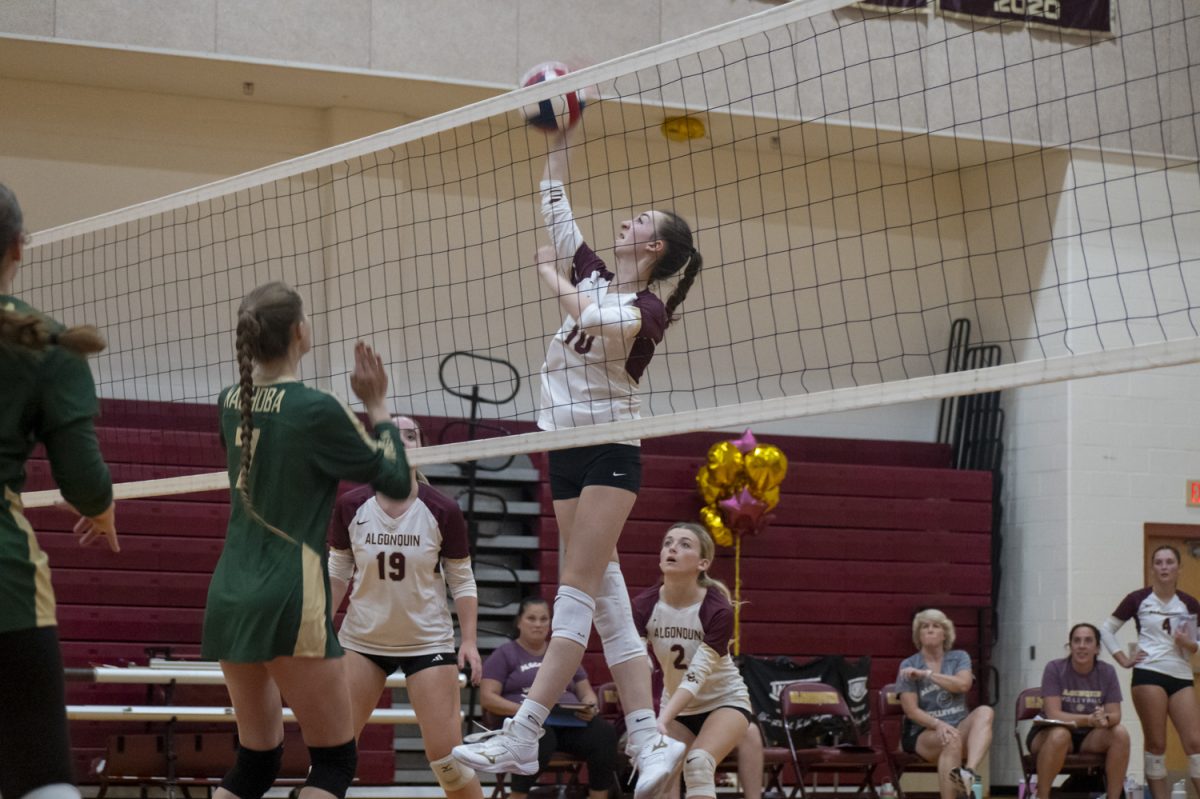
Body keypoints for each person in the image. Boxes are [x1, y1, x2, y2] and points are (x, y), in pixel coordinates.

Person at [453, 121, 703, 799]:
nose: (625, 220)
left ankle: (524, 731)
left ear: (654, 247)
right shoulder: (596, 272)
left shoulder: (645, 307)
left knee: (574, 591)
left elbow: (590, 317)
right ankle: (648, 735)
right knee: (607, 597)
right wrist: (561, 132)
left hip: (609, 450)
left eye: (639, 220)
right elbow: (554, 199)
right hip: (560, 445)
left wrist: (544, 272)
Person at [201, 281, 412, 799]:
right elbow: (398, 482)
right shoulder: (317, 410)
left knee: (256, 762)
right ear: (300, 332)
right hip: (288, 595)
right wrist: (378, 404)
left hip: (229, 593)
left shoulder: (232, 402)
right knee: (334, 764)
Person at [0, 183, 120, 799]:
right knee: (42, 779)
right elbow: (83, 479)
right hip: (4, 582)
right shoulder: (45, 344)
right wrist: (101, 512)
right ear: (19, 245)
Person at [326, 414, 484, 799]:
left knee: (448, 759)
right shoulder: (351, 504)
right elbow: (338, 568)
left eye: (410, 435)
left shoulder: (442, 509)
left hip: (427, 643)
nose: (401, 441)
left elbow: (461, 579)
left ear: (421, 447)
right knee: (333, 751)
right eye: (391, 435)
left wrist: (469, 641)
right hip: (362, 640)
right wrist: (321, 623)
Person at [631, 523, 753, 799]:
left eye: (685, 544)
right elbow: (637, 666)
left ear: (703, 563)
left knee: (698, 764)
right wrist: (642, 723)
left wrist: (661, 719)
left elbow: (696, 675)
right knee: (662, 780)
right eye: (668, 542)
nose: (672, 548)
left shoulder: (717, 608)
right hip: (676, 709)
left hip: (724, 701)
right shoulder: (643, 605)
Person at [480, 597, 620, 799]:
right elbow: (487, 698)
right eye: (531, 618)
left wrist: (590, 706)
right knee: (541, 737)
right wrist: (527, 712)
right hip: (527, 724)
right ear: (519, 622)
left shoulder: (563, 653)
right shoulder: (504, 654)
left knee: (604, 733)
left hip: (569, 722)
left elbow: (586, 692)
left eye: (544, 619)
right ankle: (517, 795)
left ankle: (598, 796)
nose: (538, 624)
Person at [1101, 544, 1200, 799]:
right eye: (1159, 562)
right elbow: (1106, 630)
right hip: (1149, 673)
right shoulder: (1138, 599)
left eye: (1169, 562)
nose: (1164, 567)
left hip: (1181, 675)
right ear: (1152, 568)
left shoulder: (1189, 603)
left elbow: (1198, 642)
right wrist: (1123, 658)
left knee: (1195, 742)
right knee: (1157, 743)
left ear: (1179, 567)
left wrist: (1190, 645)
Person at [895, 608, 994, 799]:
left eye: (935, 626)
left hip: (958, 726)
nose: (930, 630)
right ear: (918, 635)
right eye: (925, 627)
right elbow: (911, 711)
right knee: (950, 738)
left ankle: (968, 772)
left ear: (945, 634)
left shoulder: (959, 658)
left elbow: (963, 685)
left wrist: (927, 675)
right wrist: (938, 724)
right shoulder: (908, 665)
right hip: (923, 733)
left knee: (985, 711)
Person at [1029, 623, 1129, 799]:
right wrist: (1089, 720)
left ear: (1097, 648)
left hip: (1089, 737)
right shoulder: (1054, 668)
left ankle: (1113, 797)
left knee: (1120, 733)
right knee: (1060, 735)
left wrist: (1104, 718)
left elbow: (1115, 715)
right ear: (1070, 646)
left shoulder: (1107, 671)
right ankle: (1042, 796)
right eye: (1077, 641)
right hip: (1049, 732)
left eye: (1088, 641)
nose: (1082, 645)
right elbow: (1054, 714)